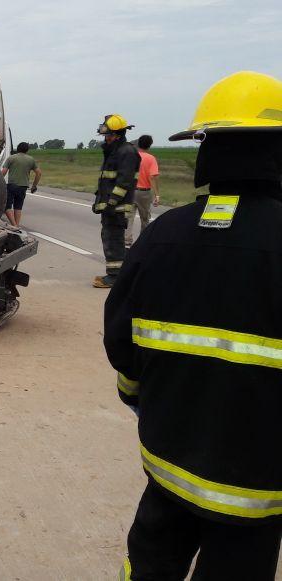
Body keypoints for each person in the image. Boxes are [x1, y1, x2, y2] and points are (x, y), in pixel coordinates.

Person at [104, 71, 282, 580]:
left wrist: (141, 395)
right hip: (258, 493)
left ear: (209, 151)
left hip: (167, 466)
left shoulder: (164, 234)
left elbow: (121, 339)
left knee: (148, 567)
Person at [92, 114, 140, 288]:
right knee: (111, 237)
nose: (107, 138)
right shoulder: (114, 151)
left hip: (117, 206)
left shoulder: (126, 152)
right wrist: (99, 202)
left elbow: (124, 181)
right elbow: (106, 180)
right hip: (111, 205)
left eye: (109, 135)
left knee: (114, 239)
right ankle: (121, 273)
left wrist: (112, 202)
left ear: (118, 134)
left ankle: (115, 276)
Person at [124, 135, 160, 247]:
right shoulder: (151, 159)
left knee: (129, 217)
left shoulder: (132, 157)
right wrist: (157, 194)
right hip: (144, 193)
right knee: (145, 218)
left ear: (138, 143)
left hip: (130, 191)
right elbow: (152, 177)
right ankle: (142, 242)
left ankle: (127, 241)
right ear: (149, 145)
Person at [1, 142, 41, 226]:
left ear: (17, 148)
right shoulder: (31, 159)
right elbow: (39, 173)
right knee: (18, 207)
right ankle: (17, 225)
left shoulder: (11, 158)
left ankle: (14, 225)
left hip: (11, 186)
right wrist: (34, 185)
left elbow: (4, 172)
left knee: (7, 207)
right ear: (27, 150)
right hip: (23, 187)